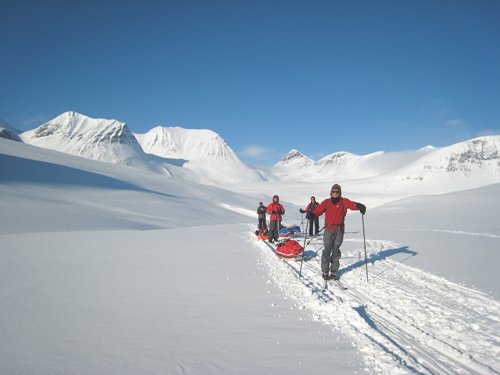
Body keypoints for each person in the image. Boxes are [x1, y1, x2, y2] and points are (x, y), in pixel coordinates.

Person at [307, 184, 366, 280]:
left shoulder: (343, 202)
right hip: (328, 229)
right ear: (331, 192)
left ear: (340, 193)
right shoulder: (326, 202)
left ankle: (334, 271)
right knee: (327, 250)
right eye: (333, 191)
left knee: (336, 250)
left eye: (337, 192)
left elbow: (352, 204)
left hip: (339, 230)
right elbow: (318, 210)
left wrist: (359, 206)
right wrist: (312, 215)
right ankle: (325, 270)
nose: (335, 193)